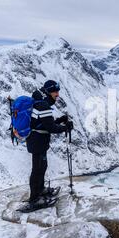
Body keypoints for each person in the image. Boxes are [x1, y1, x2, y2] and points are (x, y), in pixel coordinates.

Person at [25, 79, 73, 210]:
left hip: (38, 140)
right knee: (37, 169)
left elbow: (44, 122)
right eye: (55, 91)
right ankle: (34, 199)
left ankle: (40, 190)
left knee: (42, 166)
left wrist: (59, 120)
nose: (57, 94)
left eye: (57, 91)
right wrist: (65, 127)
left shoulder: (41, 102)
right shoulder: (43, 105)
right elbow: (51, 128)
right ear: (48, 92)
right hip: (37, 141)